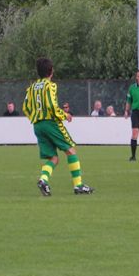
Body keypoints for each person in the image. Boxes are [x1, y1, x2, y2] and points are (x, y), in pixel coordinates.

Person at [22, 57, 93, 196]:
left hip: (37, 125)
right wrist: (64, 115)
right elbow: (51, 106)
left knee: (53, 158)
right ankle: (78, 186)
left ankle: (43, 180)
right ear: (51, 71)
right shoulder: (51, 86)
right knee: (71, 151)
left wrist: (36, 118)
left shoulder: (31, 88)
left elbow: (25, 107)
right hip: (50, 123)